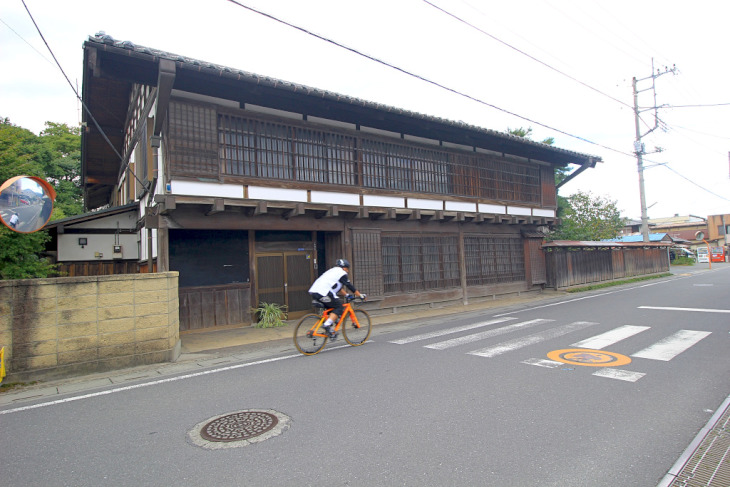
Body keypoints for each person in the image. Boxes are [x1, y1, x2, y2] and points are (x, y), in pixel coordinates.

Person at [308, 258, 366, 339]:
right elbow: (349, 285)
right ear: (345, 268)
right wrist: (360, 295)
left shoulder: (332, 271)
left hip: (314, 291)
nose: (348, 271)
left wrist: (346, 295)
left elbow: (338, 288)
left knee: (332, 308)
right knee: (339, 306)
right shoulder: (341, 273)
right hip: (323, 292)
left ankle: (330, 329)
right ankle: (327, 325)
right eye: (347, 269)